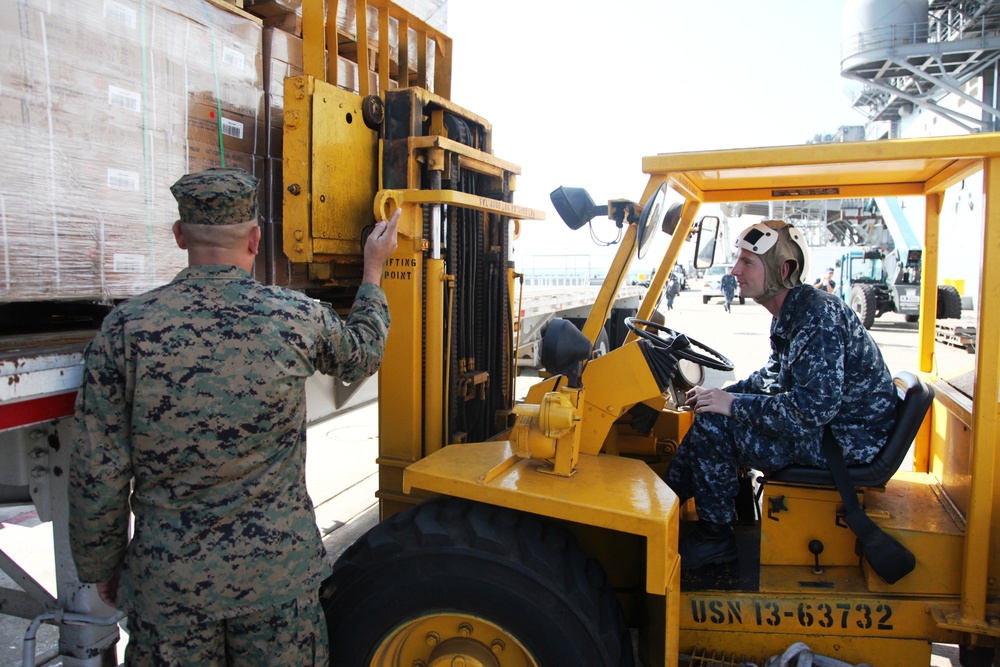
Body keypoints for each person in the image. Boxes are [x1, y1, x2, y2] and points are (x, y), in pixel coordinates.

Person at [68, 167, 399, 665]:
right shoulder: (295, 316)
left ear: (180, 236)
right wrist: (373, 269)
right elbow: (362, 354)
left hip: (169, 585)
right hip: (276, 580)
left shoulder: (125, 330)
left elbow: (98, 469)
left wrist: (103, 564)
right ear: (255, 238)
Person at [665, 220, 896, 570]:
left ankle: (715, 540)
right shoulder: (793, 313)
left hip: (848, 440)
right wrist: (722, 394)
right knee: (712, 413)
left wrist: (733, 405)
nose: (735, 271)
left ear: (783, 270)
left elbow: (810, 411)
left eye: (748, 262)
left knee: (715, 427)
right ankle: (664, 501)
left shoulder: (817, 317)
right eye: (737, 260)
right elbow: (773, 377)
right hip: (837, 428)